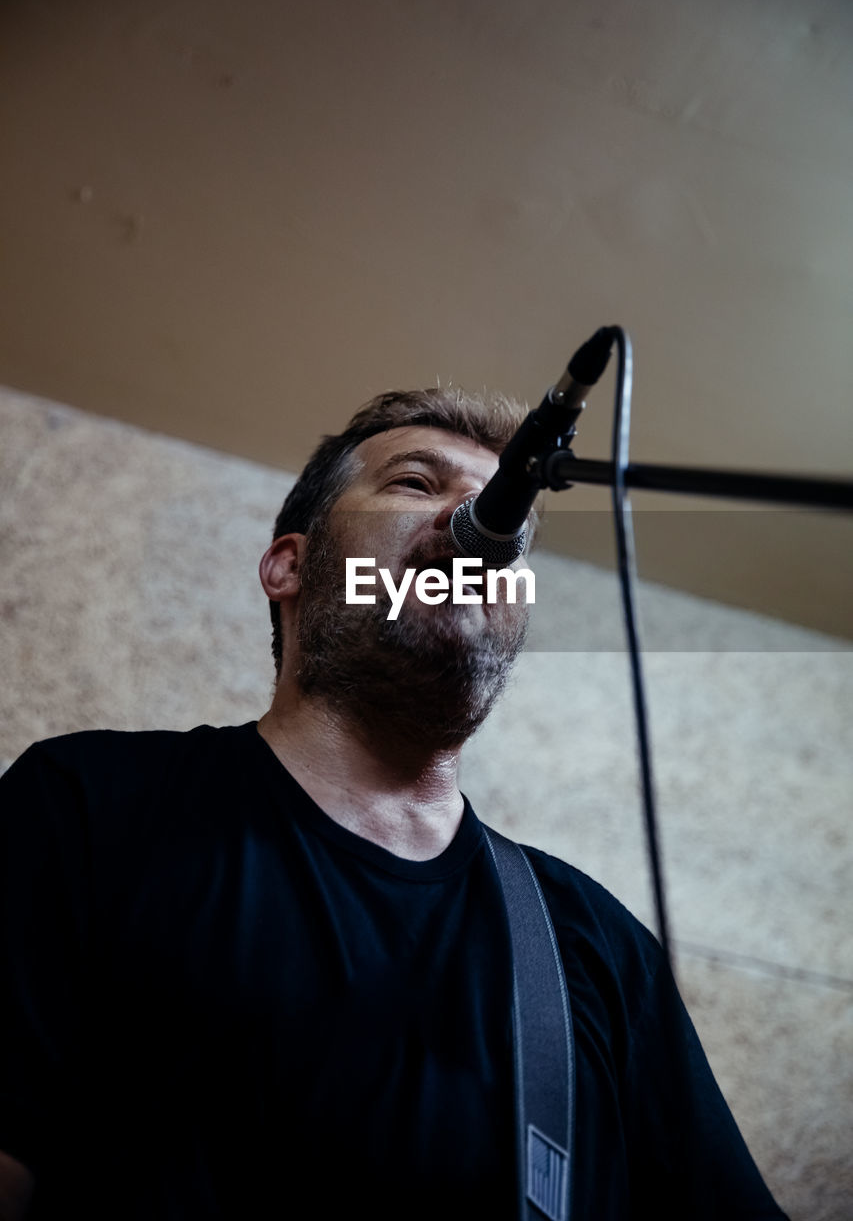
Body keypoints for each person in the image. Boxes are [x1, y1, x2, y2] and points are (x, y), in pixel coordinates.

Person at [0, 387, 788, 1220]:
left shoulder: (592, 948)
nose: (476, 521)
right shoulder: (90, 808)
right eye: (416, 483)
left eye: (502, 519)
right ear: (288, 565)